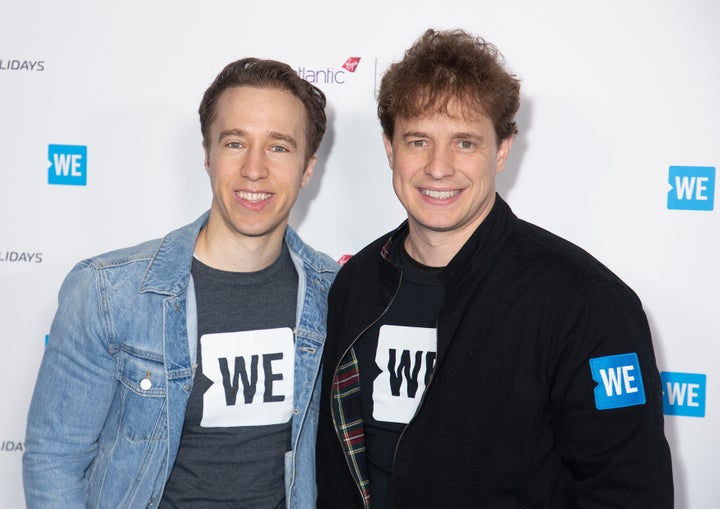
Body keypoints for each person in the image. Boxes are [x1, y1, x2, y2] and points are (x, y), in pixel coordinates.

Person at [316, 28, 673, 508]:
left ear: (502, 150)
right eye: (418, 140)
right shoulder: (354, 284)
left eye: (465, 143)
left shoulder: (585, 302)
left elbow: (628, 492)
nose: (438, 167)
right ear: (389, 147)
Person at [23, 57, 339, 508]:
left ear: (308, 167)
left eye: (279, 147)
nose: (254, 168)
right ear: (207, 155)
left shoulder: (338, 294)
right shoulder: (108, 294)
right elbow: (56, 461)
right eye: (234, 143)